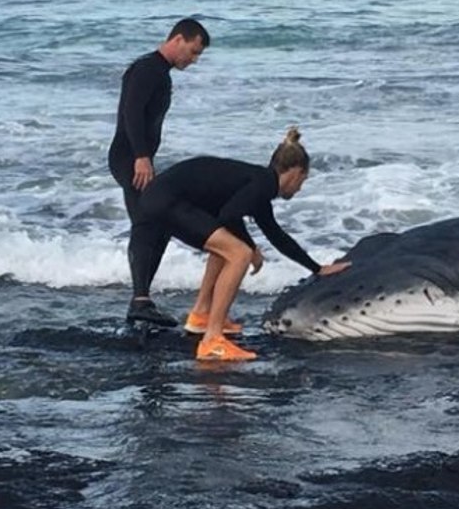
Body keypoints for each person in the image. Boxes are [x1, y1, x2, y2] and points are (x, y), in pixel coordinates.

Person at [129, 127, 350, 361]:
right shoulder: (261, 185)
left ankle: (201, 315)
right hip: (165, 201)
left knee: (225, 247)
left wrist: (317, 268)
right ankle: (212, 340)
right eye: (302, 181)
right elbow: (229, 216)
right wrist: (251, 248)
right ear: (295, 172)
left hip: (160, 198)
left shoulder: (259, 183)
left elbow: (276, 235)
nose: (300, 188)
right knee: (239, 253)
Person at [110, 18, 210, 326]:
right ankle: (140, 301)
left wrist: (145, 156)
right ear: (178, 39)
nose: (193, 60)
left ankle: (142, 299)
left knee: (162, 222)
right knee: (146, 222)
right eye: (193, 52)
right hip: (129, 158)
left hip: (138, 157)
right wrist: (141, 156)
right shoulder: (147, 69)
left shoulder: (159, 72)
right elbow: (132, 113)